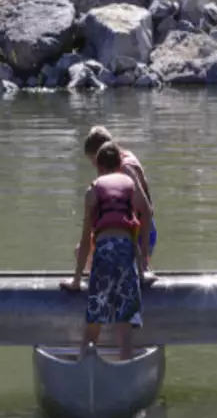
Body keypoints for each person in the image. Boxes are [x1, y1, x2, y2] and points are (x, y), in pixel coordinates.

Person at [60, 142, 153, 361]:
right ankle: (126, 374)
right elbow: (147, 212)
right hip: (125, 252)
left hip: (103, 252)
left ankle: (84, 366)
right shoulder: (130, 183)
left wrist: (76, 280)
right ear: (119, 164)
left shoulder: (93, 190)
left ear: (99, 168)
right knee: (125, 329)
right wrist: (144, 263)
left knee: (93, 326)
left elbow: (85, 241)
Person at [79, 125, 157, 275]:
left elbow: (146, 212)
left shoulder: (126, 169)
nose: (94, 167)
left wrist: (144, 258)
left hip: (140, 233)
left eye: (94, 161)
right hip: (123, 229)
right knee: (81, 251)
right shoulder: (116, 164)